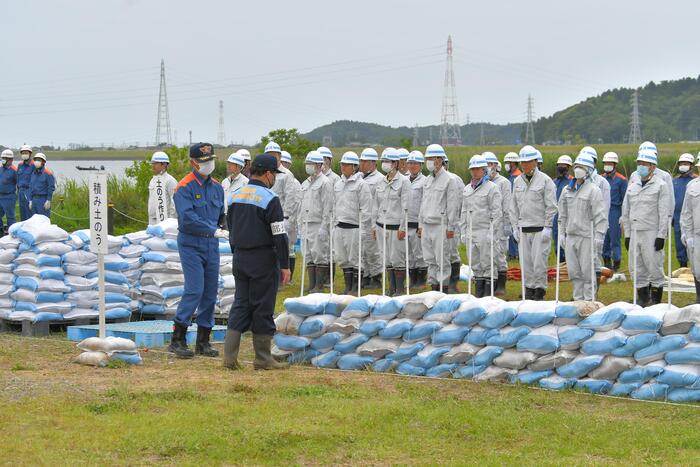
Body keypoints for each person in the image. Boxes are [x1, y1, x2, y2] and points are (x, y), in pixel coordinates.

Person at [223, 154, 291, 371]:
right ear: (268, 173)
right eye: (275, 175)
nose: (275, 179)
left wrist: (237, 252)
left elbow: (230, 229)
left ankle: (229, 359)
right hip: (262, 258)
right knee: (263, 306)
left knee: (240, 304)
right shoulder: (270, 199)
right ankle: (263, 358)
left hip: (240, 257)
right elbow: (279, 235)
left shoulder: (235, 195)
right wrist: (284, 264)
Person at [170, 143, 226, 359]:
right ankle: (178, 338)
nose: (208, 165)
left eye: (210, 160)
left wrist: (223, 226)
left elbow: (221, 213)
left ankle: (203, 340)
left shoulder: (217, 187)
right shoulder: (184, 187)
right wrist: (213, 230)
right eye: (204, 161)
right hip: (191, 242)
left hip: (211, 244)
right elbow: (188, 218)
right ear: (193, 162)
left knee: (210, 292)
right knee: (195, 289)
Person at [621, 149, 672, 307]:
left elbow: (665, 213)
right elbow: (626, 211)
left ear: (652, 166)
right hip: (635, 232)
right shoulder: (633, 185)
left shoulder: (661, 185)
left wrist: (661, 236)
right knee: (636, 269)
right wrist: (628, 235)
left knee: (654, 268)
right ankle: (642, 301)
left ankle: (656, 303)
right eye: (639, 163)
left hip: (651, 232)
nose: (640, 166)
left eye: (644, 163)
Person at [509, 145, 558, 301]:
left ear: (535, 162)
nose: (524, 165)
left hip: (539, 228)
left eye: (528, 162)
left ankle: (539, 290)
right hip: (523, 228)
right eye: (522, 162)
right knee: (526, 263)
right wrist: (515, 226)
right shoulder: (517, 181)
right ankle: (528, 289)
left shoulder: (545, 181)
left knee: (539, 263)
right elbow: (513, 207)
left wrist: (548, 226)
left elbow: (551, 206)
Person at [557, 154, 607, 300]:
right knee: (574, 272)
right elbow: (562, 214)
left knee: (588, 272)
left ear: (589, 171)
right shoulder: (567, 190)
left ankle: (590, 301)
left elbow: (600, 216)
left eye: (582, 167)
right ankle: (578, 301)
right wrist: (561, 233)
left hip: (587, 237)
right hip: (571, 236)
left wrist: (599, 237)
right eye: (577, 167)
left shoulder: (593, 190)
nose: (578, 170)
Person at [418, 144, 460, 293]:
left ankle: (443, 289)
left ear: (439, 159)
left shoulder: (449, 180)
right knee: (430, 259)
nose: (428, 161)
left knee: (442, 260)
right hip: (427, 225)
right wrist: (420, 224)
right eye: (427, 158)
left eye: (431, 158)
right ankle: (433, 287)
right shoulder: (427, 180)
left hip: (440, 225)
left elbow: (452, 206)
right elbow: (423, 204)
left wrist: (451, 227)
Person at [460, 155, 502, 297]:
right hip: (471, 230)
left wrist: (492, 232)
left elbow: (496, 212)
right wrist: (463, 231)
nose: (474, 172)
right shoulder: (467, 189)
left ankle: (489, 295)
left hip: (485, 230)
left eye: (477, 169)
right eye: (472, 169)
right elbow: (464, 211)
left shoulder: (492, 188)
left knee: (488, 263)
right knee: (475, 264)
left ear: (484, 170)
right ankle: (478, 294)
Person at [332, 151, 372, 295]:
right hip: (340, 225)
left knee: (355, 258)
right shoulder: (338, 184)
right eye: (342, 164)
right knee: (342, 258)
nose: (343, 167)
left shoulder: (361, 185)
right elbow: (334, 205)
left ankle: (356, 287)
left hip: (354, 227)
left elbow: (366, 209)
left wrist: (363, 228)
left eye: (347, 164)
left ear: (354, 167)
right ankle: (348, 287)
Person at [374, 148, 411, 296]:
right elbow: (376, 205)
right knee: (387, 259)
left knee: (397, 259)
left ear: (395, 163)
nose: (385, 164)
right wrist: (374, 225)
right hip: (382, 226)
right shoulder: (381, 182)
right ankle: (391, 288)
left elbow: (406, 207)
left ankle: (400, 289)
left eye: (388, 162)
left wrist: (403, 227)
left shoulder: (404, 182)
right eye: (384, 161)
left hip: (396, 227)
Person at [266, 142, 301, 282]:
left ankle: (282, 279)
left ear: (279, 156)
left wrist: (286, 218)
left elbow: (290, 198)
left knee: (281, 249)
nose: (272, 158)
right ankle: (271, 276)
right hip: (266, 217)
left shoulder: (287, 175)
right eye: (269, 155)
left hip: (281, 218)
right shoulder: (265, 172)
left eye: (274, 155)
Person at [299, 151, 333, 293]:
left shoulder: (325, 182)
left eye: (311, 164)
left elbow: (328, 206)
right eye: (307, 164)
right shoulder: (305, 183)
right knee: (308, 255)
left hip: (318, 222)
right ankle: (311, 284)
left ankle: (319, 286)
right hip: (306, 222)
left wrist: (325, 227)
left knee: (319, 254)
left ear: (319, 165)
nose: (309, 167)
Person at [482, 151, 511, 295]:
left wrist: (507, 225)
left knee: (499, 255)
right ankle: (489, 284)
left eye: (490, 164)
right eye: (485, 165)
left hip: (499, 225)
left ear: (495, 165)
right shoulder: (481, 183)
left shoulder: (503, 183)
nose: (488, 167)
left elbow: (506, 206)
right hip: (485, 224)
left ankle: (501, 284)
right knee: (487, 255)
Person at [359, 147, 384, 288]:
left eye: (365, 161)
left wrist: (375, 223)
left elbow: (378, 202)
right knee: (363, 251)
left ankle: (376, 277)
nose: (362, 164)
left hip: (372, 220)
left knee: (373, 251)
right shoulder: (361, 177)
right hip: (361, 220)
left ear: (373, 163)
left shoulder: (379, 179)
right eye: (361, 161)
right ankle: (366, 275)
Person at [601, 152, 627, 272]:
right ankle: (606, 263)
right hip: (602, 210)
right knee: (604, 238)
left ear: (615, 165)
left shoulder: (621, 180)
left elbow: (625, 199)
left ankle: (616, 264)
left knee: (614, 238)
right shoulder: (600, 179)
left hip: (615, 211)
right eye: (605, 163)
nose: (607, 165)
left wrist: (623, 215)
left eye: (610, 163)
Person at [443, 154, 465, 292]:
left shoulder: (455, 179)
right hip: (438, 222)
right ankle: (442, 282)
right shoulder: (432, 180)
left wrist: (457, 221)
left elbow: (462, 201)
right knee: (439, 253)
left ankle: (453, 282)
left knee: (452, 252)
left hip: (453, 222)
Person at [680, 155, 700, 302]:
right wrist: (687, 235)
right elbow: (686, 212)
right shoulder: (692, 186)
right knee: (697, 268)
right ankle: (699, 297)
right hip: (697, 235)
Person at [406, 151, 427, 287]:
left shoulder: (425, 181)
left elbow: (425, 203)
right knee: (409, 254)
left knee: (419, 253)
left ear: (421, 165)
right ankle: (412, 280)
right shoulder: (403, 180)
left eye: (416, 163)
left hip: (417, 222)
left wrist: (422, 225)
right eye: (411, 163)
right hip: (405, 222)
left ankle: (421, 281)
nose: (413, 166)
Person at [672, 153, 697, 268]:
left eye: (686, 164)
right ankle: (683, 266)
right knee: (679, 243)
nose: (683, 166)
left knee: (694, 243)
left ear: (692, 166)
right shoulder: (675, 181)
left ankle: (696, 266)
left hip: (693, 217)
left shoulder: (696, 180)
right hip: (677, 217)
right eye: (681, 164)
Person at [147, 151, 177, 225]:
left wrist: (170, 221)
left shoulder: (170, 181)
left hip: (165, 221)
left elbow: (175, 203)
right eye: (152, 163)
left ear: (164, 164)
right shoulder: (153, 180)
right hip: (152, 220)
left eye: (155, 163)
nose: (153, 166)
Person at [553, 155, 573, 262]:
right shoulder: (554, 181)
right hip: (556, 215)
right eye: (559, 165)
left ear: (568, 167)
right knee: (557, 239)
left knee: (567, 239)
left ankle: (568, 261)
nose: (561, 167)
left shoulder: (572, 181)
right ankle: (560, 262)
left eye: (563, 165)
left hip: (568, 214)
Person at [504, 151, 521, 260]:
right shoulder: (511, 177)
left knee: (515, 231)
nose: (506, 165)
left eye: (507, 162)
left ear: (513, 163)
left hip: (516, 209)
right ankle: (512, 253)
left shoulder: (517, 177)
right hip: (510, 208)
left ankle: (515, 254)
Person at [27, 153, 55, 218]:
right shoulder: (33, 173)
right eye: (36, 160)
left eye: (39, 160)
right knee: (34, 219)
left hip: (43, 200)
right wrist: (30, 200)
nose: (37, 162)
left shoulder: (48, 173)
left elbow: (51, 188)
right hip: (34, 200)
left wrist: (48, 200)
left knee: (43, 219)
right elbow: (31, 187)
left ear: (43, 162)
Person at [0, 149, 17, 234]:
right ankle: (1, 229)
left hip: (9, 196)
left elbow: (18, 183)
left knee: (10, 216)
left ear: (11, 160)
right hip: (0, 196)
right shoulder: (0, 169)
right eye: (2, 157)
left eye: (5, 158)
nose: (3, 159)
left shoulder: (14, 170)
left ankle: (12, 232)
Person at [16, 145, 33, 221]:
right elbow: (18, 178)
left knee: (29, 212)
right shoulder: (20, 165)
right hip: (20, 191)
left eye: (26, 153)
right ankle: (24, 229)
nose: (24, 154)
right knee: (22, 212)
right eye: (23, 153)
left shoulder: (34, 165)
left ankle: (31, 229)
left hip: (29, 191)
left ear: (30, 154)